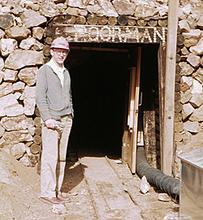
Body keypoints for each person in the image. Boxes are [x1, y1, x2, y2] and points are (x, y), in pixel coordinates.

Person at [36, 37, 74, 204]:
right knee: (50, 157)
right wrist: (47, 118)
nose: (61, 54)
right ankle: (47, 192)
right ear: (51, 51)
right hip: (52, 120)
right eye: (58, 51)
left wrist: (71, 112)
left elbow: (69, 95)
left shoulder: (65, 72)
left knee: (61, 158)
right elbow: (40, 97)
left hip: (66, 119)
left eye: (64, 51)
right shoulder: (45, 70)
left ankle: (57, 190)